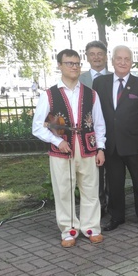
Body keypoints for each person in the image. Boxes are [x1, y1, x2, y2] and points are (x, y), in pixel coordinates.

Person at [31, 49, 106, 248]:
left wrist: (101, 148)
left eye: (77, 63)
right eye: (69, 63)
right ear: (60, 65)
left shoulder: (91, 94)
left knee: (90, 189)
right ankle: (69, 230)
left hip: (87, 148)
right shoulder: (49, 94)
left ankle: (91, 228)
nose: (74, 67)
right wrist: (57, 141)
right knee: (63, 190)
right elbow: (37, 126)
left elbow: (99, 124)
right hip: (61, 151)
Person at [93, 45, 138, 231]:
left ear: (131, 62)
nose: (122, 62)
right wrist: (99, 145)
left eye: (126, 59)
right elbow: (97, 114)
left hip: (135, 145)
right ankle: (116, 217)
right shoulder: (100, 84)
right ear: (112, 61)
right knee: (115, 184)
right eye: (119, 58)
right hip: (110, 145)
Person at [79, 40, 111, 214]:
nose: (96, 57)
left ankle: (112, 204)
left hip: (112, 132)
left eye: (100, 54)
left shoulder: (115, 76)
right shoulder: (80, 79)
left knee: (112, 172)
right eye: (92, 54)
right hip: (89, 133)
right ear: (87, 57)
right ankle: (99, 206)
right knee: (94, 172)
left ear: (105, 56)